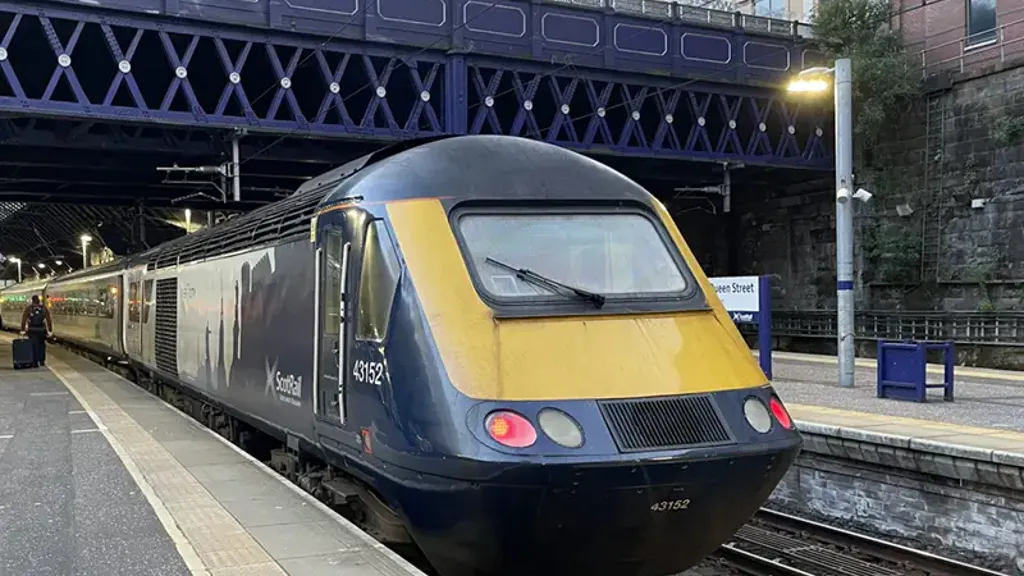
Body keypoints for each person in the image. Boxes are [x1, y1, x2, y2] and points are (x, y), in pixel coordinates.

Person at [20, 295, 52, 368]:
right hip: (41, 330)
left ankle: (34, 362)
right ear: (39, 301)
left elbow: (24, 319)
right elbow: (48, 320)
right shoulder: (44, 308)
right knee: (41, 345)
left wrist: (22, 330)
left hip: (32, 330)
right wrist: (50, 330)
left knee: (33, 346)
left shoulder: (29, 308)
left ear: (32, 301)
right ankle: (41, 361)